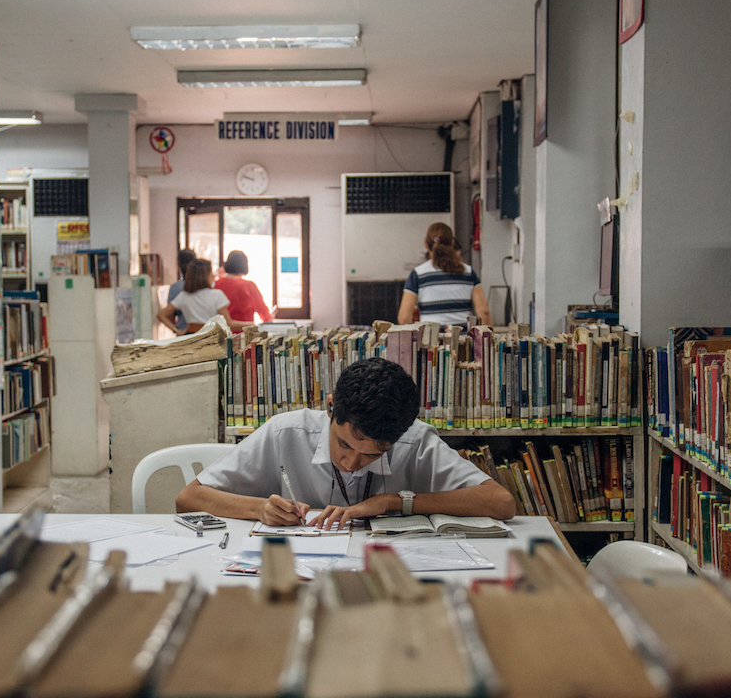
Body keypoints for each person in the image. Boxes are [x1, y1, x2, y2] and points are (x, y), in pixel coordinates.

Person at [176, 357, 516, 528]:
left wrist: (393, 502)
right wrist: (259, 509)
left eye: (373, 455)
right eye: (345, 444)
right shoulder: (286, 432)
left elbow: (501, 503)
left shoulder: (414, 440)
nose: (351, 463)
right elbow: (188, 498)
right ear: (330, 407)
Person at [397, 222, 492, 327]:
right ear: (452, 243)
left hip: (430, 342)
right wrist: (487, 339)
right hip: (464, 341)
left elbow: (404, 317)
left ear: (425, 243)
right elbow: (484, 312)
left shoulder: (418, 274)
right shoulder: (468, 272)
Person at [156, 259, 245, 334]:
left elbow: (161, 315)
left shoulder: (184, 296)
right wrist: (252, 325)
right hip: (212, 338)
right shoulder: (217, 295)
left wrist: (177, 331)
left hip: (190, 337)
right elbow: (229, 323)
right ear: (207, 275)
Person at [214, 250, 273, 324]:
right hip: (243, 331)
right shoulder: (249, 286)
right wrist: (269, 317)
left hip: (219, 332)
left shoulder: (215, 285)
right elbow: (263, 311)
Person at [167, 249, 197, 334]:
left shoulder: (175, 287)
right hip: (204, 332)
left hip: (183, 332)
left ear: (178, 266)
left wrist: (176, 330)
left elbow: (169, 315)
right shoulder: (204, 287)